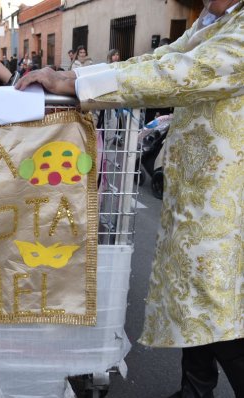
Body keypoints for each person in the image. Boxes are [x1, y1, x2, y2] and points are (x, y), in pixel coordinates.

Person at [16, 1, 243, 397]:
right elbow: (158, 58)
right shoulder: (213, 21)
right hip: (197, 187)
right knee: (192, 290)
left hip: (229, 191)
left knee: (216, 297)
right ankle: (196, 388)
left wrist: (74, 85)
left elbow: (178, 73)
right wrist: (73, 74)